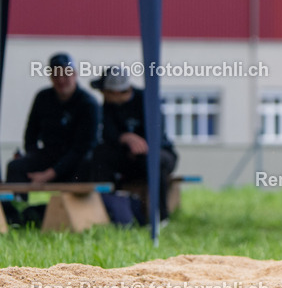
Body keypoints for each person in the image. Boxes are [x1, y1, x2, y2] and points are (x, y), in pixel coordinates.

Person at [89, 66, 178, 222]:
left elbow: (156, 134)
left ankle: (161, 216)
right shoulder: (109, 105)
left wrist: (138, 144)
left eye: (104, 91)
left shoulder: (147, 100)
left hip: (155, 154)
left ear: (116, 92)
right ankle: (110, 208)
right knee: (100, 154)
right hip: (126, 157)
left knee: (154, 161)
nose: (102, 95)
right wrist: (125, 137)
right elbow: (108, 135)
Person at [5, 53, 99, 188]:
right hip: (49, 154)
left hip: (75, 160)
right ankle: (21, 202)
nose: (61, 80)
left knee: (85, 167)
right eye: (56, 75)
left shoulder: (89, 104)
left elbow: (83, 147)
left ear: (74, 74)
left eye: (65, 74)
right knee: (15, 167)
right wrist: (31, 154)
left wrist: (49, 174)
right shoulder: (43, 97)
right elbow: (31, 133)